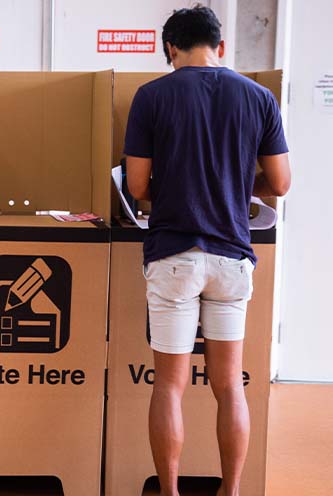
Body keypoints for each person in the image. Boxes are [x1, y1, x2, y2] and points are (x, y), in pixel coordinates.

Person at [124, 6, 291, 496]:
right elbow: (280, 183)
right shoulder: (259, 97)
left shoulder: (152, 96)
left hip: (175, 254)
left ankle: (171, 491)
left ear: (170, 49)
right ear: (220, 46)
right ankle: (231, 490)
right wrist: (236, 182)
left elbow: (136, 185)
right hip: (232, 257)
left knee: (169, 386)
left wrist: (177, 182)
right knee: (229, 386)